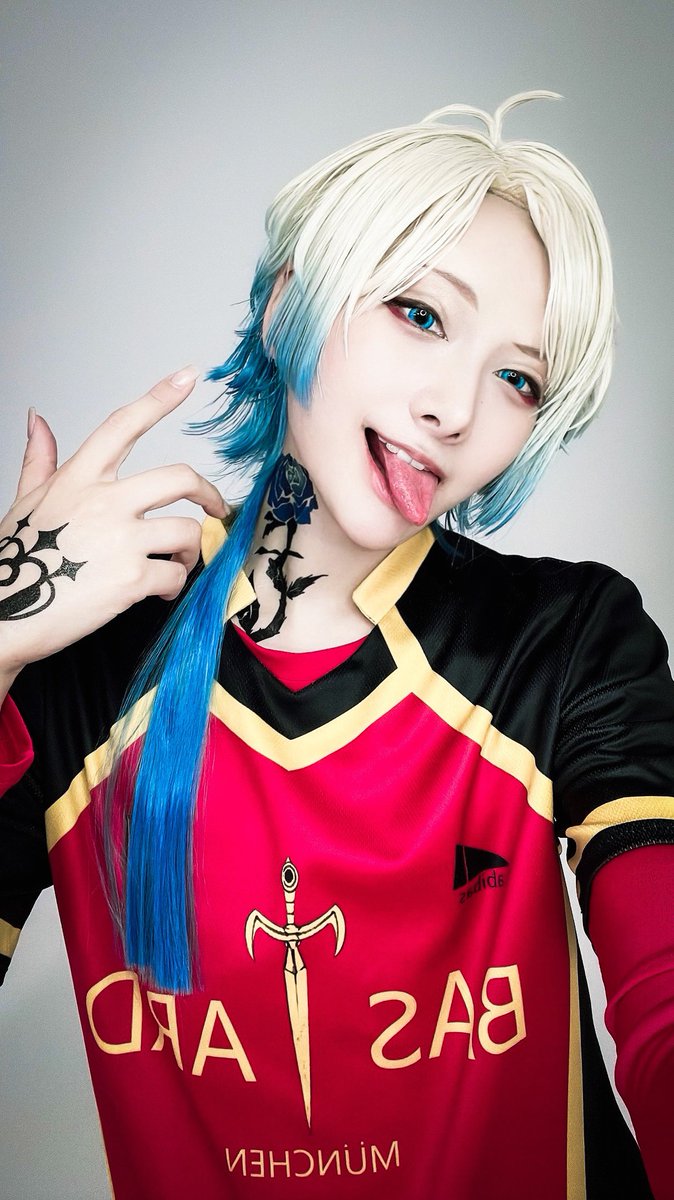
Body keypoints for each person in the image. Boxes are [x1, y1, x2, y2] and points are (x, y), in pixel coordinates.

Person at [1, 90, 673, 1200]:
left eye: (517, 378)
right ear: (284, 309)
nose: (455, 410)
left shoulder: (565, 645)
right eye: (420, 314)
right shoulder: (82, 673)